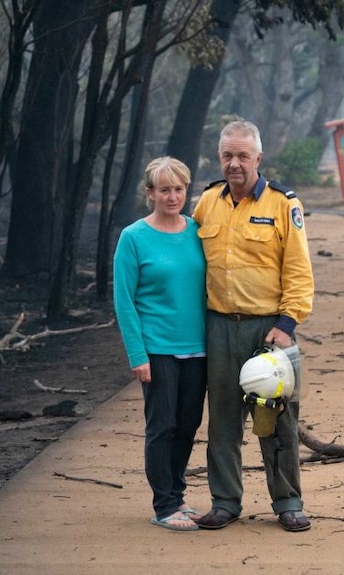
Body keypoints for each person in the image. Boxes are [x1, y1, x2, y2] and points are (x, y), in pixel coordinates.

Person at [192, 120, 315, 532]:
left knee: (277, 421)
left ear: (258, 159)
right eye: (227, 155)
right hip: (220, 328)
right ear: (219, 158)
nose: (234, 164)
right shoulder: (207, 202)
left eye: (243, 156)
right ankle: (225, 501)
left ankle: (288, 502)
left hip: (270, 331)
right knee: (223, 420)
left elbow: (299, 272)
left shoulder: (283, 205)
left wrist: (286, 325)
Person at [113, 156, 208, 532]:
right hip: (157, 348)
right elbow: (124, 300)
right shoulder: (134, 237)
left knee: (188, 425)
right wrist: (138, 355)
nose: (173, 196)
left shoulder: (198, 231)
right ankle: (164, 505)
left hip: (199, 347)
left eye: (179, 189)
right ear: (150, 193)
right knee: (162, 425)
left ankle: (178, 496)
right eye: (165, 190)